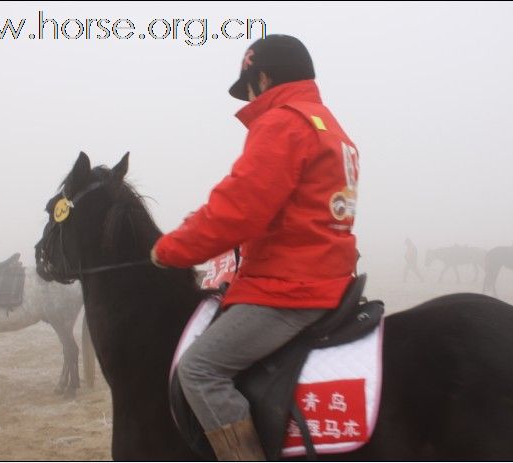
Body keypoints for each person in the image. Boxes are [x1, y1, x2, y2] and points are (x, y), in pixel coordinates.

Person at [150, 34, 359, 461]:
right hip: (329, 275)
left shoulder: (284, 123)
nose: (247, 98)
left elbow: (238, 208)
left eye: (247, 87)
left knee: (199, 369)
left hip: (290, 288)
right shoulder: (328, 125)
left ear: (262, 78)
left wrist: (168, 250)